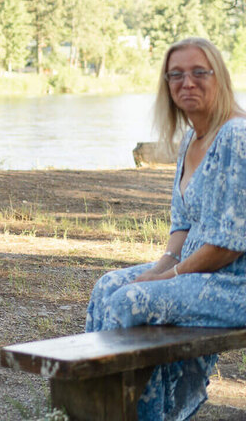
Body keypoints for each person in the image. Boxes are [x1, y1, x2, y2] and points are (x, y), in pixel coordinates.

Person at [87, 38, 246, 420]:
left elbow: (228, 246)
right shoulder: (191, 137)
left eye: (198, 72)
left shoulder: (237, 137)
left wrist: (166, 278)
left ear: (219, 77)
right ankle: (97, 408)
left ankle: (146, 413)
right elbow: (182, 225)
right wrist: (158, 270)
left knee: (131, 301)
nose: (186, 82)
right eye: (176, 75)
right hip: (198, 272)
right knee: (109, 285)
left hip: (234, 282)